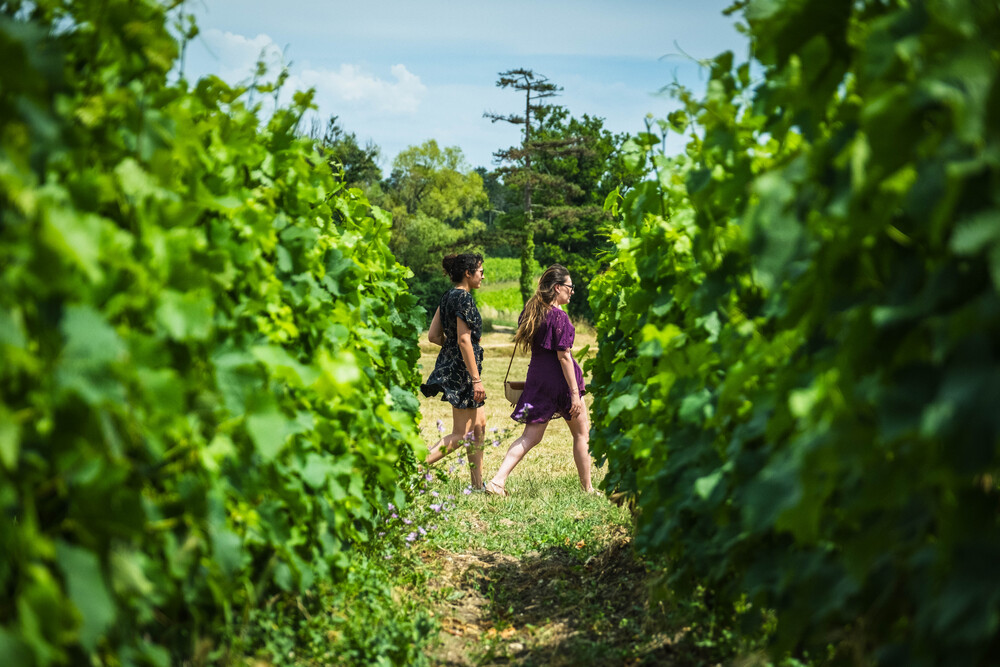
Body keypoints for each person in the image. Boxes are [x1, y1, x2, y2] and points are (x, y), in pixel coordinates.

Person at [485, 264, 593, 496]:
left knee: (529, 437)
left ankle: (497, 481)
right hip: (562, 384)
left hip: (538, 379)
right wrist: (575, 393)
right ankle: (588, 489)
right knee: (582, 434)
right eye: (570, 287)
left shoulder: (531, 312)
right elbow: (564, 356)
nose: (572, 291)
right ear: (557, 288)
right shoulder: (559, 317)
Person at [420, 253, 487, 489]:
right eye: (480, 270)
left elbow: (433, 336)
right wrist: (475, 379)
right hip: (465, 372)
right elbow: (464, 340)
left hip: (458, 366)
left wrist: (451, 352)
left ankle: (478, 486)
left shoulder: (447, 296)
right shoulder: (464, 298)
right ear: (468, 273)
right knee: (462, 433)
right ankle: (416, 469)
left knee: (479, 425)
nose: (483, 275)